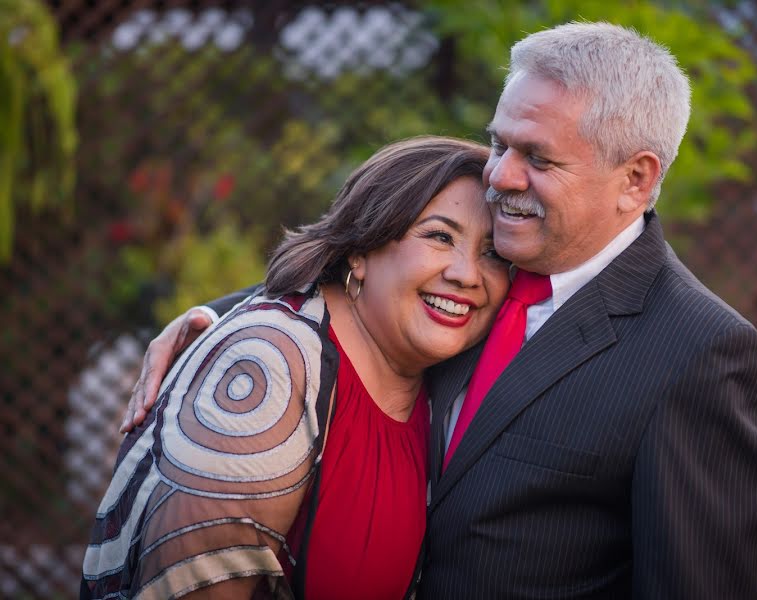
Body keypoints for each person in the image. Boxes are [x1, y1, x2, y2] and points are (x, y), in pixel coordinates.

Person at [122, 22, 757, 599]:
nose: (501, 176)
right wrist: (219, 321)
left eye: (537, 158)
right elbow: (370, 272)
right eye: (500, 144)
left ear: (635, 179)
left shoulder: (699, 355)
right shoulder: (485, 281)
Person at [82, 136, 510, 599]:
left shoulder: (443, 375)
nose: (467, 274)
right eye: (439, 236)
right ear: (361, 251)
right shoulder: (271, 367)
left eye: (492, 253)